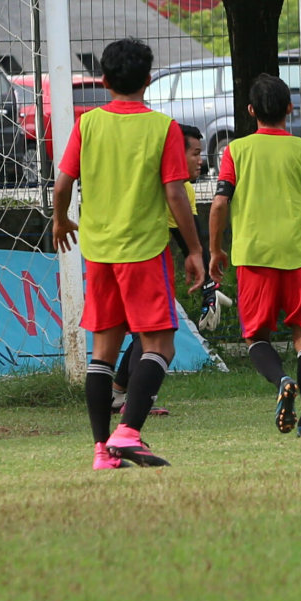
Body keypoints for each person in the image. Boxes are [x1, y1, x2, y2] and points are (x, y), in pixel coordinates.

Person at [55, 36, 205, 467]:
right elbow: (175, 194)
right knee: (160, 345)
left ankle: (102, 450)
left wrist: (60, 220)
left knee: (103, 351)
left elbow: (63, 184)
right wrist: (194, 249)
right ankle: (128, 432)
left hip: (99, 253)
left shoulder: (87, 124)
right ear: (149, 79)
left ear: (103, 79)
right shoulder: (162, 128)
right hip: (143, 251)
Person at [208, 72, 301, 438]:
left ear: (251, 111)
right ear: (290, 108)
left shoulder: (235, 150)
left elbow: (219, 204)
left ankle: (282, 380)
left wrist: (216, 249)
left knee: (257, 338)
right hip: (298, 257)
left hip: (254, 257)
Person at [113, 122, 207, 417]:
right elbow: (186, 238)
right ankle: (131, 408)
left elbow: (188, 235)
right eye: (194, 153)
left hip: (126, 257)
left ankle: (117, 397)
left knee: (141, 335)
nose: (200, 160)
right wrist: (202, 266)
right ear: (175, 155)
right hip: (136, 260)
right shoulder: (170, 188)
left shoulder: (182, 189)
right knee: (152, 336)